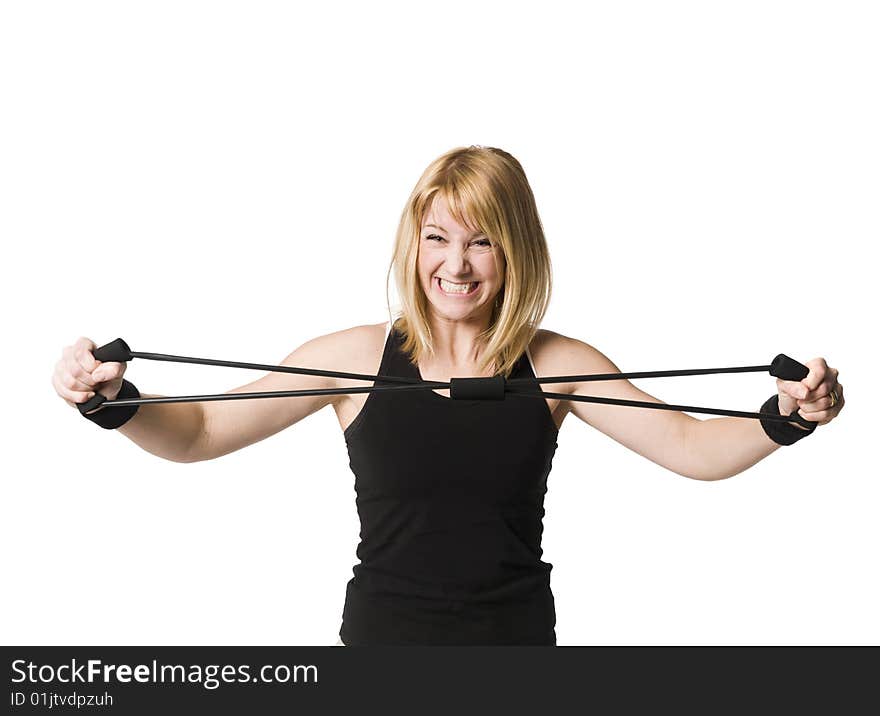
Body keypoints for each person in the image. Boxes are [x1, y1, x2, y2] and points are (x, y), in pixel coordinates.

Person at [52, 145, 845, 645]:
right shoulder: (352, 357)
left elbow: (690, 448)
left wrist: (785, 419)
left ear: (516, 249)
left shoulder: (558, 363)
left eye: (481, 239)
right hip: (383, 641)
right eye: (438, 237)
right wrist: (112, 402)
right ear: (414, 245)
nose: (456, 265)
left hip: (516, 641)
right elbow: (195, 434)